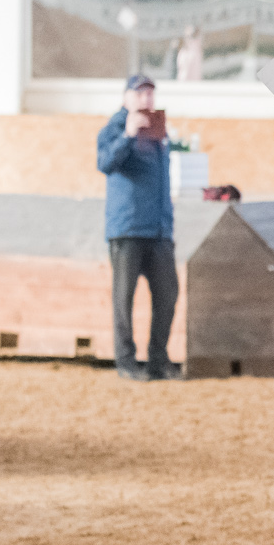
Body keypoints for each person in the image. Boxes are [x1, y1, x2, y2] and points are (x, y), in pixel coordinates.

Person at [95, 75, 177, 381]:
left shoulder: (158, 133)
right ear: (126, 96)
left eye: (150, 93)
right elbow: (104, 163)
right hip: (127, 229)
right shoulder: (113, 129)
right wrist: (128, 136)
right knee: (123, 300)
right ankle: (126, 362)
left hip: (158, 230)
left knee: (167, 296)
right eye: (140, 92)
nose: (146, 99)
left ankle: (158, 360)